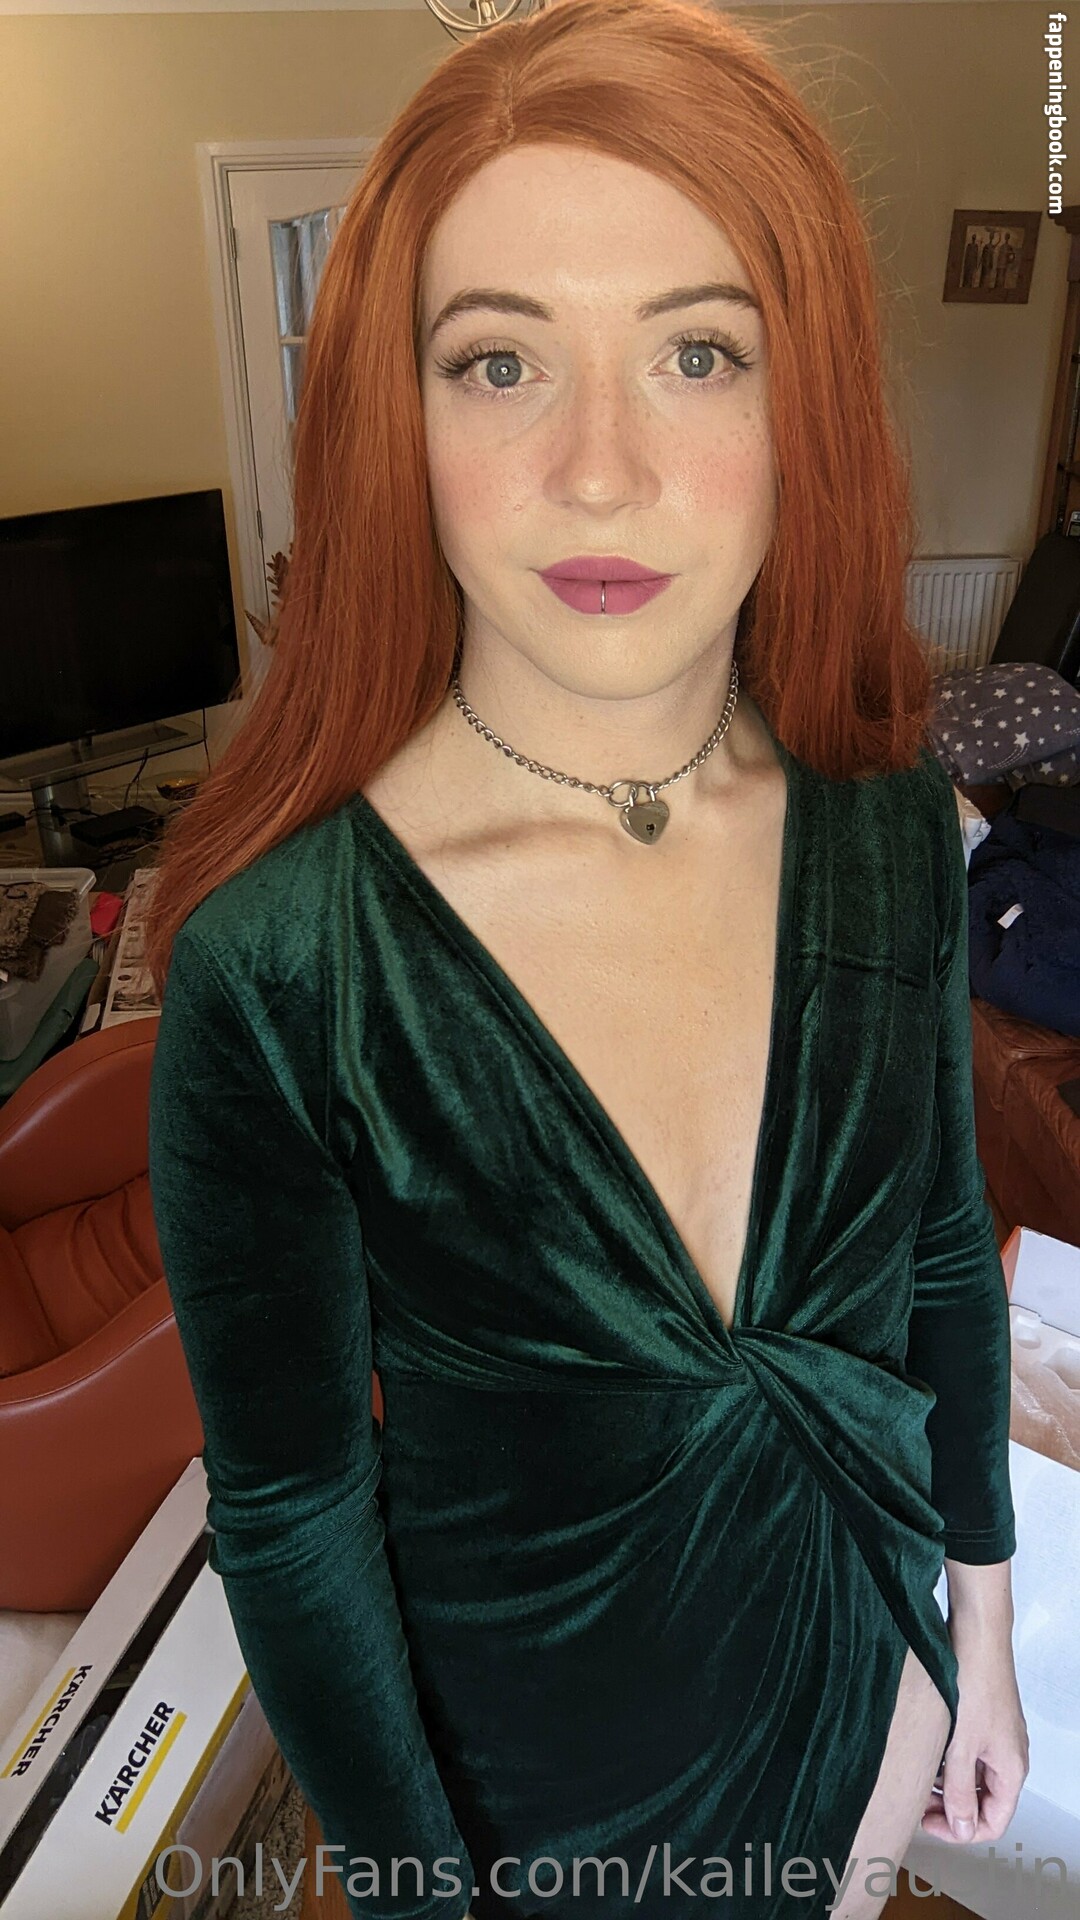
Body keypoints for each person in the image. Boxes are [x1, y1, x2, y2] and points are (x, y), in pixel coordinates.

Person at [144, 1, 1029, 1915]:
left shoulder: (889, 825)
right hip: (542, 1814)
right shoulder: (285, 969)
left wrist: (985, 1625)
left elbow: (945, 1245)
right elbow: (294, 1518)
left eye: (698, 351)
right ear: (400, 419)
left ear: (804, 404)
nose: (601, 471)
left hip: (876, 1689)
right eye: (500, 362)